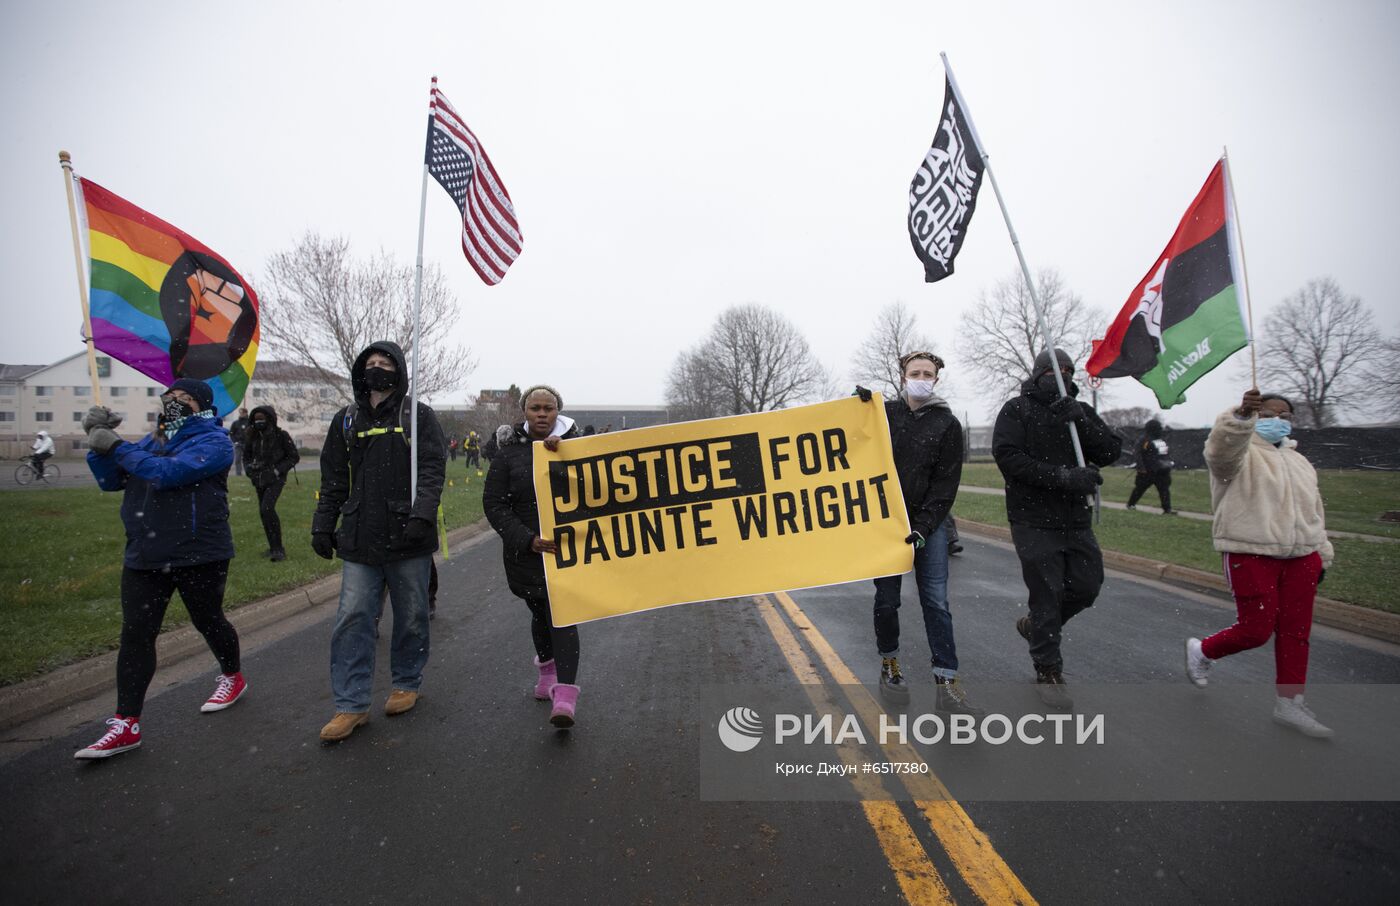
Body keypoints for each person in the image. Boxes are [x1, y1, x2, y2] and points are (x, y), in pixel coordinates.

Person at [73, 380, 245, 760]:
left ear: (201, 406)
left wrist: (116, 445)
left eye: (183, 399)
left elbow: (165, 474)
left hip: (199, 552)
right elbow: (110, 480)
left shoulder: (214, 443)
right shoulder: (150, 442)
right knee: (136, 634)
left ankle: (232, 675)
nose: (173, 404)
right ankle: (126, 722)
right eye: (168, 398)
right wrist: (98, 441)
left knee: (209, 620)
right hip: (146, 553)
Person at [312, 342, 446, 743]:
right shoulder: (346, 420)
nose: (377, 369)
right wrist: (323, 524)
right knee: (353, 618)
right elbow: (333, 476)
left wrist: (422, 515)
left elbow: (432, 469)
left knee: (411, 615)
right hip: (358, 538)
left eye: (385, 364)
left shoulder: (417, 415)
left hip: (408, 536)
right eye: (370, 364)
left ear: (399, 371)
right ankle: (350, 705)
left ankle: (407, 681)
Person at [1185, 389, 1336, 737]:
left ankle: (1290, 703)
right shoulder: (1241, 453)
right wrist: (1239, 417)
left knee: (1296, 634)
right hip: (1250, 552)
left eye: (1284, 416)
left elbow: (1314, 510)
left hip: (1303, 556)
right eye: (1268, 414)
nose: (1277, 421)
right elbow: (1220, 452)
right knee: (1256, 630)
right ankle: (1203, 650)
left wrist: (1322, 553)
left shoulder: (1300, 462)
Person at [993, 348, 1122, 709]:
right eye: (1052, 370)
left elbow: (1110, 451)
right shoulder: (1016, 411)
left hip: (1075, 520)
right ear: (1037, 374)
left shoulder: (1078, 413)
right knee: (1047, 594)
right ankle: (1048, 669)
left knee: (1086, 586)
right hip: (1032, 519)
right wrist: (1063, 477)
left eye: (1067, 370)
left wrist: (1080, 419)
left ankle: (1036, 627)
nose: (1060, 375)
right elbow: (1009, 458)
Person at [856, 352, 980, 715]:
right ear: (903, 376)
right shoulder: (885, 415)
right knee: (886, 600)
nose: (921, 378)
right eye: (915, 373)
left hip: (929, 526)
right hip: (887, 525)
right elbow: (855, 444)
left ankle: (946, 681)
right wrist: (854, 409)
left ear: (936, 380)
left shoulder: (947, 424)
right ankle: (890, 665)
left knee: (936, 602)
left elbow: (946, 485)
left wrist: (925, 526)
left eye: (928, 373)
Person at [483, 386, 584, 729]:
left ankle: (566, 695)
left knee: (562, 614)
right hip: (525, 552)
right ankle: (547, 667)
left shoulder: (578, 448)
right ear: (525, 412)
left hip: (569, 552)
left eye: (549, 408)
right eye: (535, 408)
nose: (542, 414)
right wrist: (526, 540)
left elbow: (596, 490)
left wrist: (564, 456)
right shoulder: (507, 454)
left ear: (559, 412)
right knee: (540, 611)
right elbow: (494, 504)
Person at [243, 405, 299, 562]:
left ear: (270, 419)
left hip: (275, 479)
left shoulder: (281, 435)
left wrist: (277, 470)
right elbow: (246, 457)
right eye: (256, 419)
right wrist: (249, 470)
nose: (259, 422)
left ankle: (278, 549)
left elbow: (293, 456)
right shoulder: (252, 436)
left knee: (267, 508)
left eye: (262, 419)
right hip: (259, 479)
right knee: (263, 512)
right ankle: (273, 546)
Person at [1126, 418, 1175, 514]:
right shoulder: (1144, 440)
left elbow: (1165, 455)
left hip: (1161, 471)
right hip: (1147, 471)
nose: (1160, 430)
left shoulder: (1160, 440)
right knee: (1139, 489)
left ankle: (1167, 509)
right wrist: (1141, 468)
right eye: (1158, 428)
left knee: (1164, 491)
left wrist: (1167, 465)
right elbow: (1138, 454)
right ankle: (1131, 504)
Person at [229, 407, 250, 477]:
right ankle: (238, 473)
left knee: (247, 459)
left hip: (248, 444)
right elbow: (231, 433)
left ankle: (248, 472)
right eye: (240, 413)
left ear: (246, 413)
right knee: (237, 459)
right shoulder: (235, 423)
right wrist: (235, 441)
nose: (241, 414)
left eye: (243, 413)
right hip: (238, 443)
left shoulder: (250, 423)